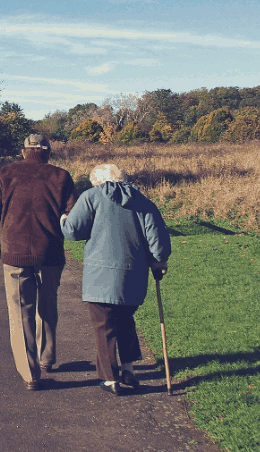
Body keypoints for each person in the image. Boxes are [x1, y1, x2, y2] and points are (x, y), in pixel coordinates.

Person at [61, 163, 171, 395]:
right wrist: (159, 262)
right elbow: (157, 241)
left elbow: (72, 231)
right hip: (134, 275)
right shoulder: (143, 201)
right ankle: (128, 369)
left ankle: (110, 379)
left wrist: (63, 219)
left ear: (99, 181)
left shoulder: (91, 197)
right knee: (125, 320)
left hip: (100, 276)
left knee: (104, 326)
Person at [0, 134, 78, 390]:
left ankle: (30, 373)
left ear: (24, 151)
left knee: (20, 312)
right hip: (51, 253)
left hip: (15, 253)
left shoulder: (7, 173)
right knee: (48, 306)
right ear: (47, 151)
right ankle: (47, 358)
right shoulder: (61, 176)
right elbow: (73, 214)